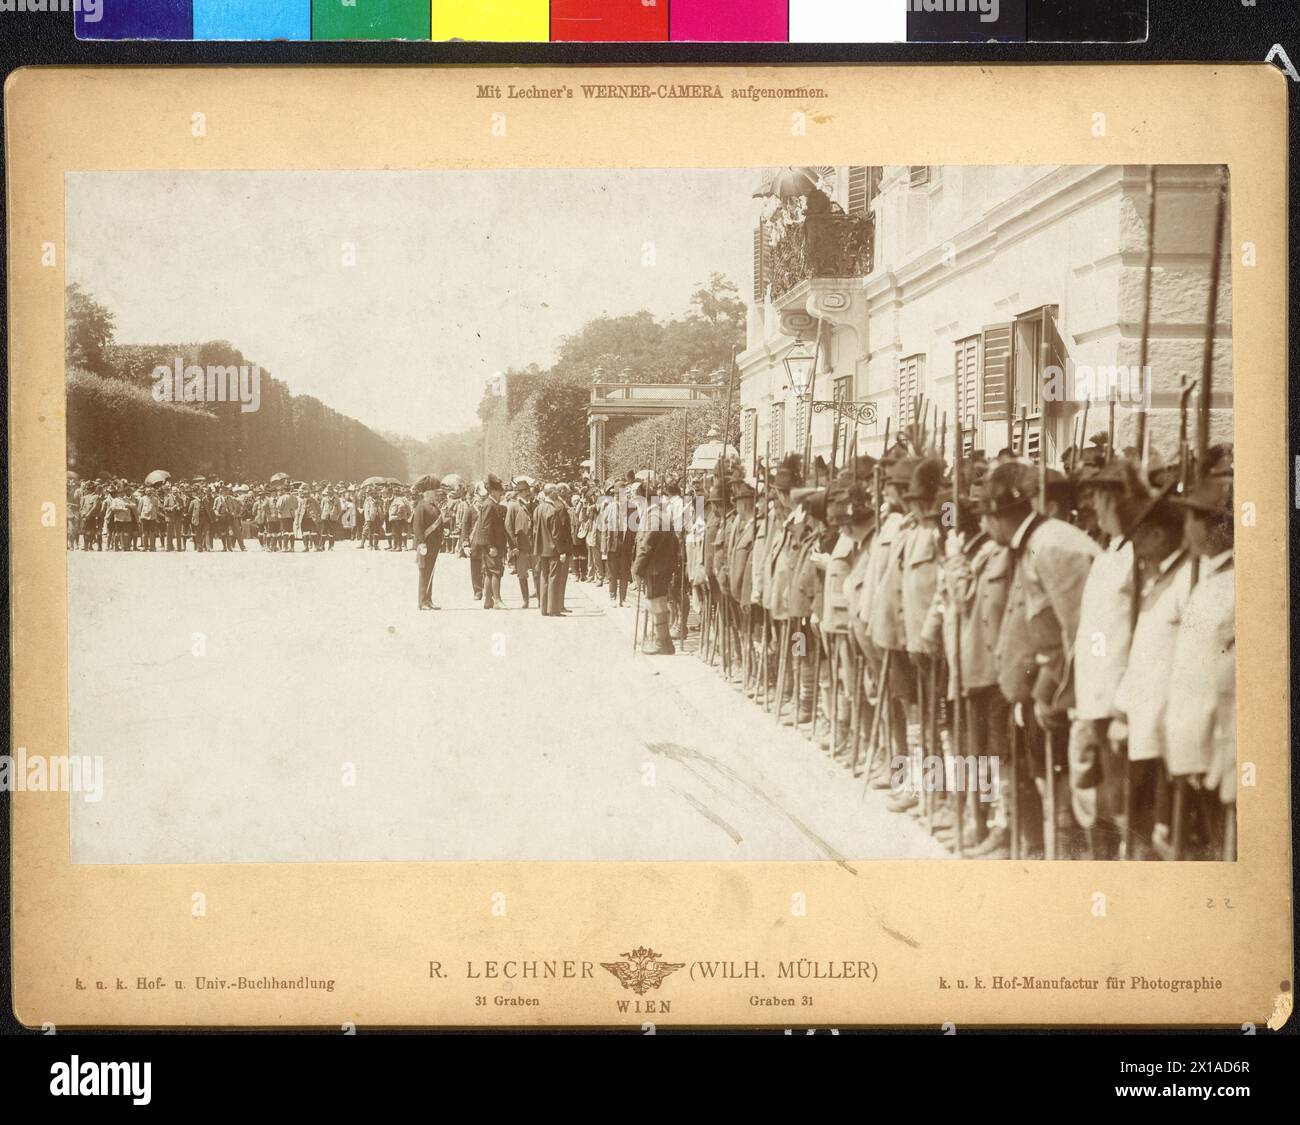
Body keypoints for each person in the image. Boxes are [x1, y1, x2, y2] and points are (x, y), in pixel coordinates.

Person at [532, 483, 573, 616]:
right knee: (554, 578)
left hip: (541, 548)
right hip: (553, 549)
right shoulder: (552, 510)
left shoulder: (538, 509)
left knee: (544, 577)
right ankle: (553, 609)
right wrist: (561, 551)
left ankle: (544, 608)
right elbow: (556, 534)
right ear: (551, 493)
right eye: (555, 490)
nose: (557, 493)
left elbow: (534, 530)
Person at [471, 474, 509, 609]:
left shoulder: (491, 504)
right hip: (492, 544)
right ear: (493, 491)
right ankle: (497, 600)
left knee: (488, 572)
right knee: (496, 571)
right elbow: (486, 527)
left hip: (491, 544)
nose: (501, 494)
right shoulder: (490, 505)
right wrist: (491, 546)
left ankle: (488, 600)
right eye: (499, 492)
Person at [412, 481, 444, 610]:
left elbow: (438, 523)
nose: (435, 494)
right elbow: (417, 526)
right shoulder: (421, 506)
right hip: (425, 545)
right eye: (433, 492)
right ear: (427, 493)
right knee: (424, 572)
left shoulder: (434, 506)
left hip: (434, 545)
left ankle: (429, 600)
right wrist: (421, 543)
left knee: (430, 572)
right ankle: (422, 601)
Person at [504, 483, 535, 609]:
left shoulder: (533, 505)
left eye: (528, 490)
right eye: (525, 491)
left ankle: (541, 599)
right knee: (522, 574)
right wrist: (513, 546)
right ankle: (525, 600)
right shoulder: (513, 506)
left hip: (533, 544)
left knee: (537, 572)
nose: (528, 493)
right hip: (520, 545)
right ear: (519, 492)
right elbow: (508, 526)